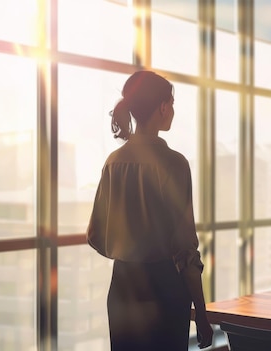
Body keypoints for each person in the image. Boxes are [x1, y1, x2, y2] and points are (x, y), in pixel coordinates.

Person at [86, 71, 213, 350]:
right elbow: (186, 250)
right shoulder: (174, 164)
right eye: (172, 102)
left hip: (121, 290)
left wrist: (127, 251)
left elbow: (94, 234)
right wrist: (201, 315)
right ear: (163, 107)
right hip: (163, 290)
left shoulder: (113, 162)